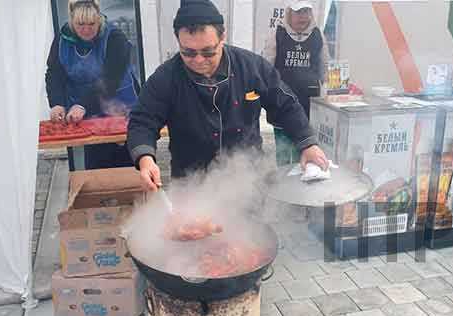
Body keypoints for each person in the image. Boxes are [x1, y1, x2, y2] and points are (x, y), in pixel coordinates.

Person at [127, 0, 329, 191]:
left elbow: (285, 105)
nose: (198, 60)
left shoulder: (250, 66)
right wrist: (145, 159)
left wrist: (307, 143)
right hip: (192, 184)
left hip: (248, 180)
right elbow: (142, 121)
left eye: (208, 52)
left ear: (222, 38)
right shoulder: (166, 77)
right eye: (188, 52)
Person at [45, 0, 139, 169]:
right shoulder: (62, 40)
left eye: (92, 24)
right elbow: (54, 74)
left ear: (99, 19)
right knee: (97, 162)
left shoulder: (115, 38)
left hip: (120, 105)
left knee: (128, 163)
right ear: (72, 21)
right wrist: (57, 103)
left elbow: (110, 80)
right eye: (81, 24)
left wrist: (82, 105)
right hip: (86, 113)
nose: (87, 29)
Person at [262, 0, 329, 166]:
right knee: (284, 151)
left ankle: (303, 183)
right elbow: (266, 67)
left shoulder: (317, 35)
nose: (303, 17)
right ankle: (284, 185)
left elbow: (324, 66)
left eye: (306, 12)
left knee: (305, 147)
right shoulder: (277, 34)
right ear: (289, 13)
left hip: (309, 102)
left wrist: (327, 91)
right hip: (281, 103)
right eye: (299, 12)